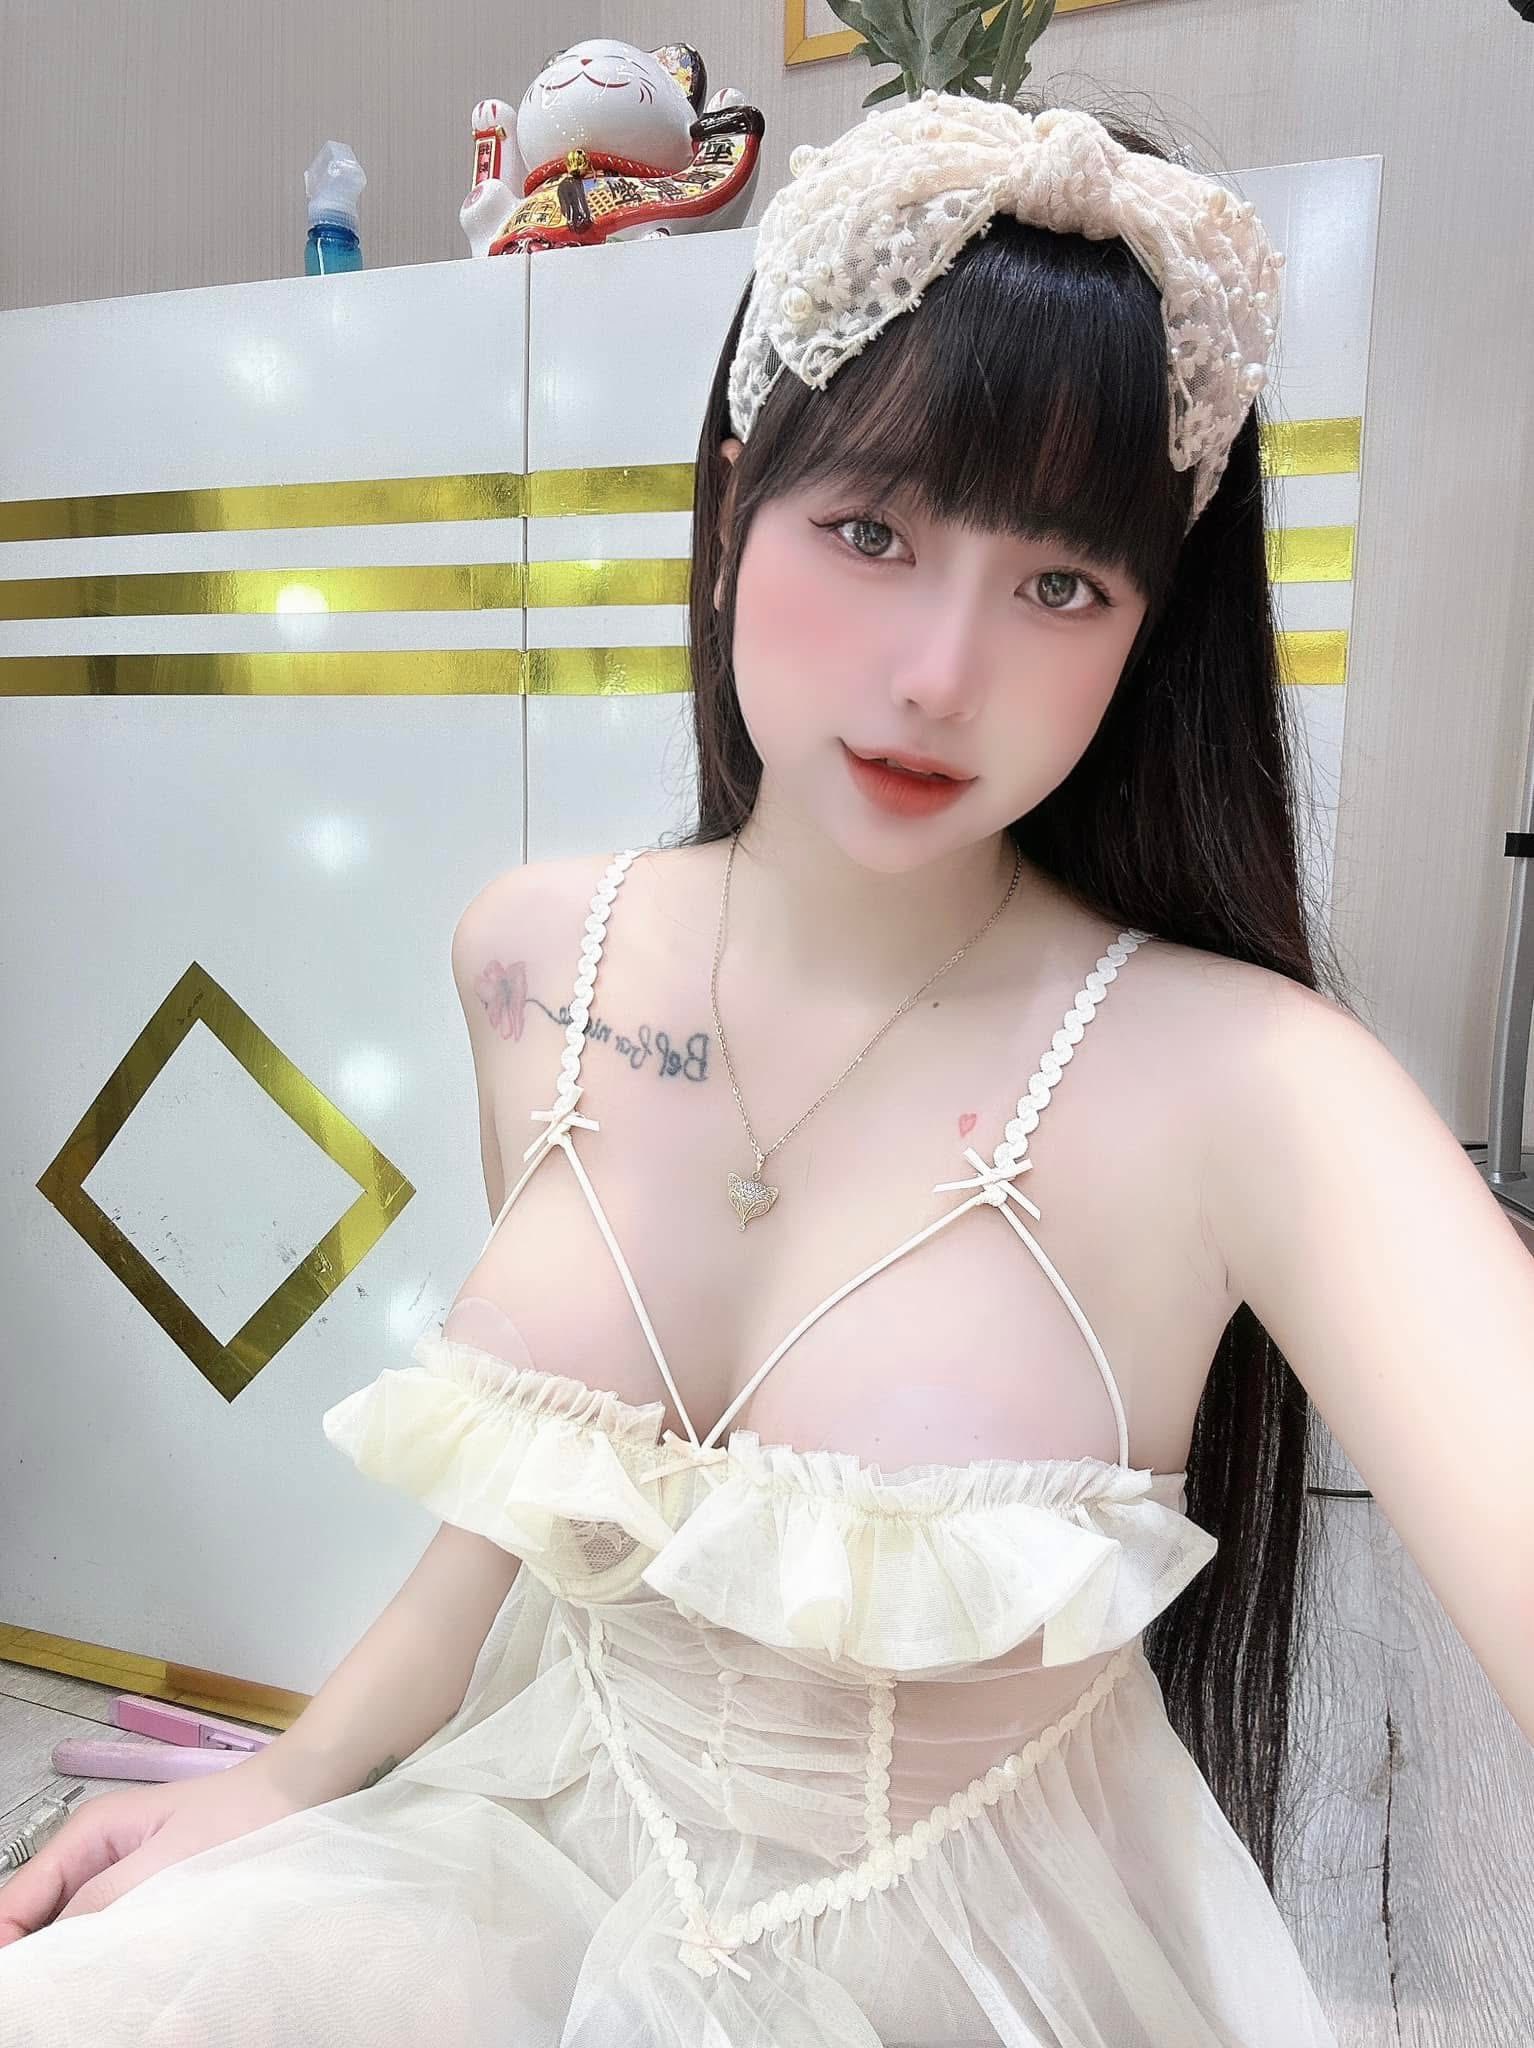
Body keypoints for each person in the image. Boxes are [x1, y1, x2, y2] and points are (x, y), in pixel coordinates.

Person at [3, 87, 1531, 2048]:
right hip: (542, 1841)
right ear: (732, 510)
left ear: (1146, 633)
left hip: (956, 1956)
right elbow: (544, 1498)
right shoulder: (535, 960)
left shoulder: (1251, 1086)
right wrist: (297, 1772)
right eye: (869, 530)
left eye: (1060, 585)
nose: (936, 675)